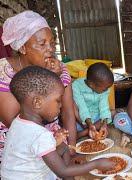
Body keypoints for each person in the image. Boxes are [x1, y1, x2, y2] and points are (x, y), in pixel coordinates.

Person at [1, 66, 115, 179]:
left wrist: (54, 140)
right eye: (58, 101)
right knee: (65, 167)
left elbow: (32, 148)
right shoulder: (40, 135)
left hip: (15, 175)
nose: (61, 106)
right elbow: (62, 171)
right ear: (37, 102)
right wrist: (96, 164)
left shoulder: (18, 122)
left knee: (64, 147)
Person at [0, 11, 77, 159]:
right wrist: (49, 79)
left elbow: (68, 111)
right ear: (22, 48)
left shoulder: (59, 68)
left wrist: (71, 147)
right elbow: (15, 122)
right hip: (17, 148)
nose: (50, 49)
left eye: (52, 43)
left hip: (54, 140)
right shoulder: (3, 73)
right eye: (42, 44)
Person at [72, 62, 114, 139]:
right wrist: (89, 124)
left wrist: (104, 124)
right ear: (91, 85)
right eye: (105, 89)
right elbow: (82, 107)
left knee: (113, 112)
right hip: (81, 119)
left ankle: (85, 132)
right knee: (71, 108)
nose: (107, 90)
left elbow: (104, 107)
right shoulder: (76, 86)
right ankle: (88, 129)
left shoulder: (103, 87)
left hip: (97, 117)